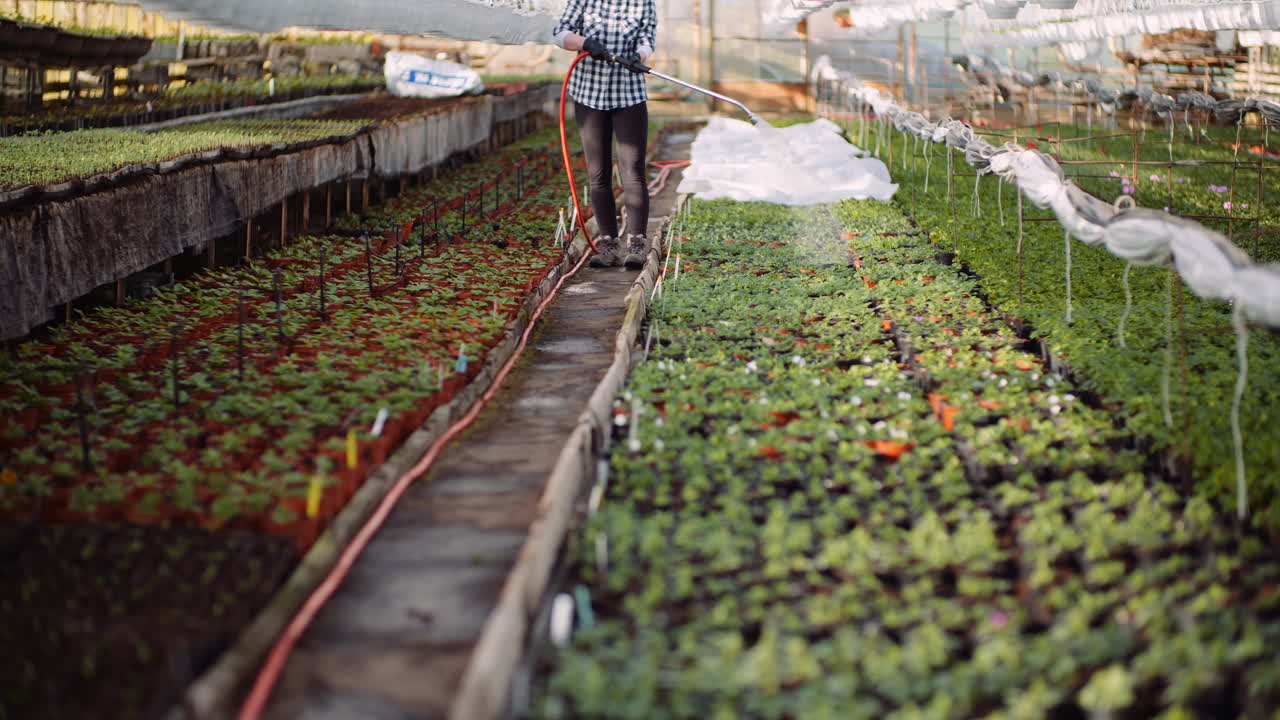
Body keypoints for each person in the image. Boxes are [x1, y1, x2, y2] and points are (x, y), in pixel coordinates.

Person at [553, 0, 657, 267]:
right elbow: (560, 34)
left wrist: (640, 56)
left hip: (629, 94)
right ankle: (608, 245)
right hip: (589, 95)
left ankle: (637, 244)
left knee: (633, 170)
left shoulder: (643, 2)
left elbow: (648, 38)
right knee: (597, 173)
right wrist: (585, 43)